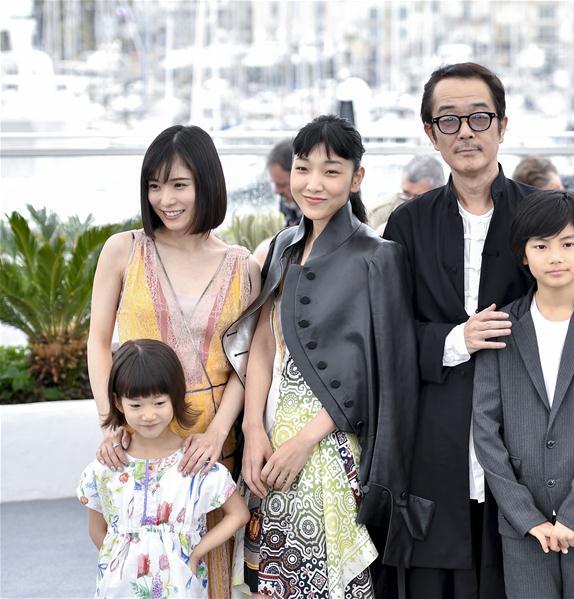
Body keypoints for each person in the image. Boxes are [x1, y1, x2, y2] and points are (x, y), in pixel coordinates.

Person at [222, 115, 428, 598]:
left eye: (332, 171)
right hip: (270, 442)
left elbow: (381, 373)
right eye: (302, 168)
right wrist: (253, 429)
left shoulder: (379, 256)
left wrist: (304, 441)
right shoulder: (281, 248)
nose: (313, 184)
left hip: (332, 448)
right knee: (268, 581)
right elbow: (264, 344)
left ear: (357, 178)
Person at [383, 62, 536, 599]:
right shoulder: (407, 223)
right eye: (449, 120)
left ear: (502, 125)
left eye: (479, 117)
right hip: (436, 433)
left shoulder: (539, 217)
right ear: (430, 133)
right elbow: (390, 332)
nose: (465, 131)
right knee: (434, 575)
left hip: (521, 431)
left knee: (513, 569)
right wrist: (456, 339)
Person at [87, 124, 261, 597]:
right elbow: (99, 342)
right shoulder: (125, 250)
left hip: (208, 446)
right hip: (139, 435)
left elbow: (247, 361)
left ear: (206, 183)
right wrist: (110, 422)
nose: (166, 198)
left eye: (179, 184)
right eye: (155, 185)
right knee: (140, 567)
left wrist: (219, 433)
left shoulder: (242, 264)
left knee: (209, 574)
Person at [473, 191, 574, 599]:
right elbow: (485, 430)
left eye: (568, 244)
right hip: (523, 525)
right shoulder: (501, 327)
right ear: (524, 255)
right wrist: (525, 517)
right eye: (541, 245)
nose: (555, 256)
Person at [78, 339, 250, 598]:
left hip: (181, 587)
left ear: (175, 398)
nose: (148, 415)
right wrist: (117, 560)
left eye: (158, 403)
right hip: (118, 589)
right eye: (135, 405)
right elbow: (96, 529)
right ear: (117, 402)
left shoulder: (194, 464)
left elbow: (238, 514)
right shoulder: (105, 468)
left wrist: (196, 553)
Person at [369, 155, 445, 234]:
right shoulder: (379, 214)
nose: (410, 202)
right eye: (406, 194)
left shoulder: (452, 215)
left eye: (418, 197)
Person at [267, 138, 303, 226]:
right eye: (275, 184)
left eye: (282, 185)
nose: (277, 191)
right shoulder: (286, 203)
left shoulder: (317, 215)